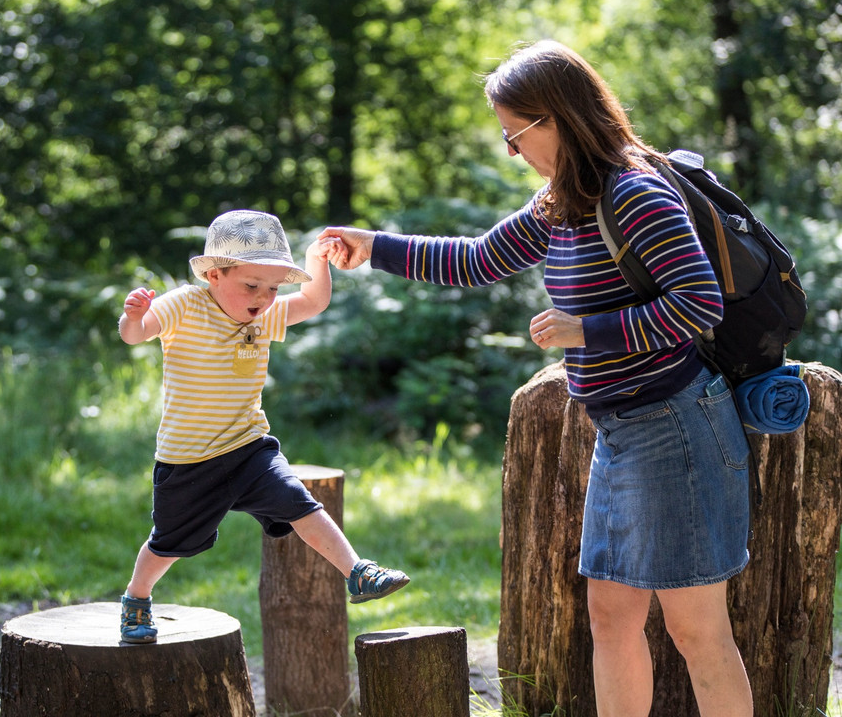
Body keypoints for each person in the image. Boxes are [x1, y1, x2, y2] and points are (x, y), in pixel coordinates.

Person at [319, 40, 753, 716]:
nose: (511, 152)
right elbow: (474, 260)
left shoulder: (633, 194)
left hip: (675, 424)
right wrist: (372, 247)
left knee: (696, 630)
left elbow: (697, 304)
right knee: (609, 618)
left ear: (555, 119)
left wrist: (586, 331)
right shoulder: (561, 202)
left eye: (514, 136)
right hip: (620, 430)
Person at [117, 208, 409, 644]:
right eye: (251, 285)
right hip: (189, 458)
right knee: (171, 542)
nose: (264, 297)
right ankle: (137, 598)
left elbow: (313, 302)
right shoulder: (185, 305)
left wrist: (317, 260)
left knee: (299, 503)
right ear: (214, 275)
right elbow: (135, 335)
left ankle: (357, 572)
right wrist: (135, 315)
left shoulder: (263, 316)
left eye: (272, 288)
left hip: (249, 446)